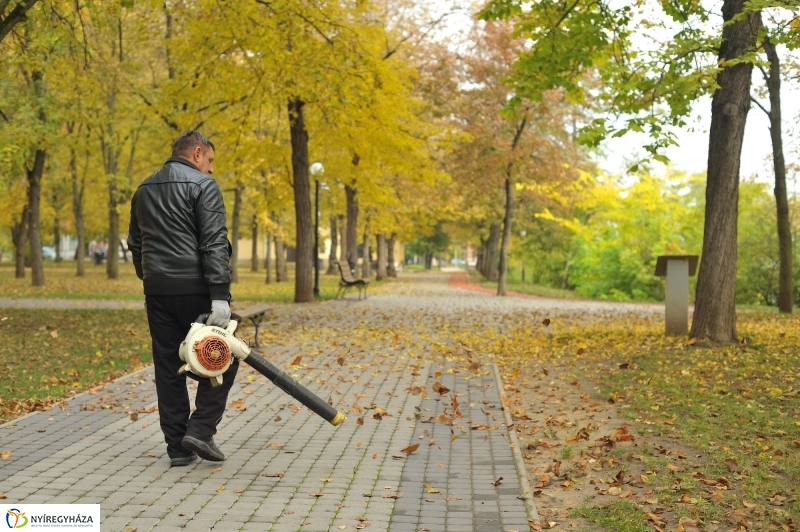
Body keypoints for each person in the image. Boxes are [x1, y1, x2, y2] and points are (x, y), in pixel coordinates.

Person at [127, 131, 238, 467]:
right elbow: (214, 242)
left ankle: (177, 448)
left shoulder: (144, 189)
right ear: (197, 153)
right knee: (225, 354)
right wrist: (219, 295)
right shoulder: (203, 187)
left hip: (157, 290)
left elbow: (135, 243)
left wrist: (149, 277)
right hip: (196, 289)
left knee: (168, 367)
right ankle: (202, 429)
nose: (211, 169)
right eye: (210, 161)